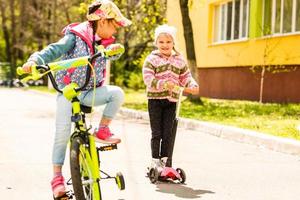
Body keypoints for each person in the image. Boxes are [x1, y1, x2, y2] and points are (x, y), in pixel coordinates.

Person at [21, 0, 131, 198]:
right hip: (68, 91)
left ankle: (103, 129)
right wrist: (35, 60)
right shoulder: (75, 36)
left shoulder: (106, 42)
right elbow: (54, 50)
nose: (116, 29)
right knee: (62, 132)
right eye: (115, 23)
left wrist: (115, 50)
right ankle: (57, 177)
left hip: (90, 92)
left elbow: (113, 53)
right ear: (103, 21)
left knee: (117, 93)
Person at [142, 24, 199, 170]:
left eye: (168, 42)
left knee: (168, 132)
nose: (165, 45)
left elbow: (185, 76)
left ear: (173, 43)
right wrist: (164, 84)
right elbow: (148, 79)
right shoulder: (152, 59)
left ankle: (165, 160)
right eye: (161, 42)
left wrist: (192, 84)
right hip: (155, 100)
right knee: (157, 132)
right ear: (156, 43)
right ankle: (155, 160)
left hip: (172, 101)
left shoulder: (179, 60)